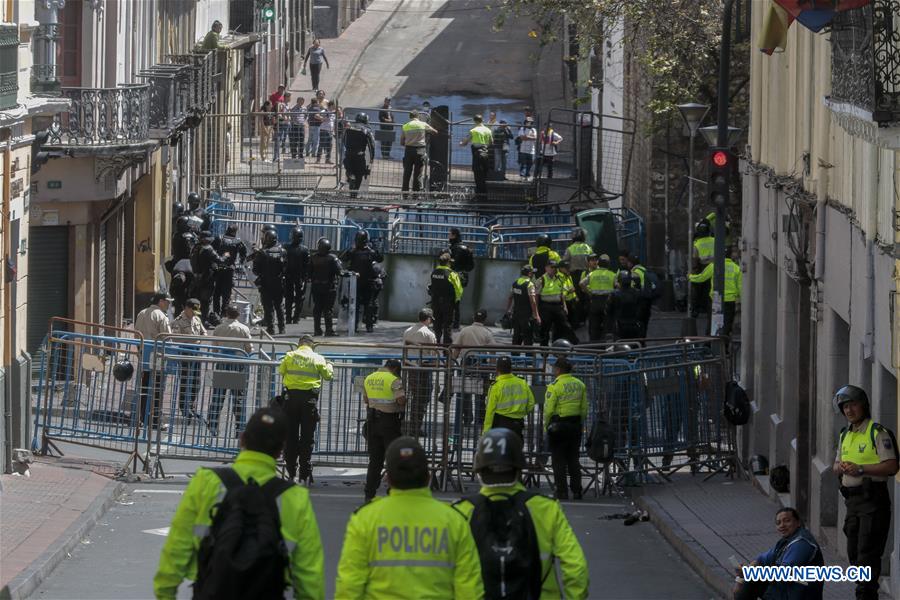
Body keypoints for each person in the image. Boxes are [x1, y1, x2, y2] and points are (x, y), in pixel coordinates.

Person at [153, 407, 325, 600]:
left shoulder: (206, 481)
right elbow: (310, 574)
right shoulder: (295, 498)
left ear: (242, 439)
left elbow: (178, 545)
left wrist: (165, 593)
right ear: (280, 451)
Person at [334, 437, 484, 600]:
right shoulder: (454, 520)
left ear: (388, 479)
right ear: (428, 477)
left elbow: (349, 587)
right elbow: (468, 588)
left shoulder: (365, 519)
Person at [452, 428, 589, 599]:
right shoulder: (546, 508)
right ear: (519, 468)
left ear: (479, 469)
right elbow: (576, 567)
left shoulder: (461, 512)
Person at [832, 385, 898, 600]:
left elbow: (891, 466)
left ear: (864, 406)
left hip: (873, 501)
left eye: (853, 405)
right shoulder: (845, 434)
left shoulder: (877, 432)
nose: (849, 411)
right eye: (845, 407)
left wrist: (861, 469)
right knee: (854, 554)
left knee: (867, 556)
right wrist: (841, 468)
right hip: (853, 503)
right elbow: (835, 465)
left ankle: (866, 596)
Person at [733, 507, 824, 600]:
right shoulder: (786, 541)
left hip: (800, 594)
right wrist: (743, 574)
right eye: (778, 523)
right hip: (785, 591)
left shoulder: (801, 543)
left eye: (787, 521)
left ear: (798, 522)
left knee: (752, 579)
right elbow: (761, 559)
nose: (782, 525)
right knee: (750, 579)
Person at [279, 334, 334, 484]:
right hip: (309, 401)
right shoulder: (318, 358)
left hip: (290, 399)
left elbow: (281, 371)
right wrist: (330, 364)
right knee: (307, 438)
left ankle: (291, 473)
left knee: (290, 437)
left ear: (299, 344)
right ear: (312, 345)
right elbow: (328, 376)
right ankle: (304, 474)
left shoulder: (290, 355)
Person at [362, 359, 406, 502]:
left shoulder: (369, 378)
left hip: (372, 422)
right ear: (394, 368)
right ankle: (393, 491)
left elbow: (366, 400)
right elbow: (400, 400)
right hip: (389, 423)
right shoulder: (394, 380)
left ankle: (369, 493)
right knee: (393, 458)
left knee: (374, 461)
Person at [543, 357, 587, 500]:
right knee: (574, 459)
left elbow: (549, 409)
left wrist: (546, 425)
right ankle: (577, 491)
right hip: (575, 425)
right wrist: (580, 423)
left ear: (558, 370)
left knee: (558, 460)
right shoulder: (580, 384)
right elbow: (584, 408)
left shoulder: (555, 386)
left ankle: (561, 491)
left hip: (558, 425)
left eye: (554, 368)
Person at [209, 305, 254, 438]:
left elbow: (214, 348)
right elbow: (249, 348)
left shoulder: (219, 328)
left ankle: (213, 426)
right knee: (238, 398)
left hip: (222, 364)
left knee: (218, 396)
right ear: (238, 315)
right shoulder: (244, 329)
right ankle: (239, 428)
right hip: (238, 366)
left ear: (226, 314)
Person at [134, 293, 172, 431]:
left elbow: (136, 334)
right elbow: (167, 338)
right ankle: (155, 421)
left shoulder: (141, 313)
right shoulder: (161, 316)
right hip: (157, 356)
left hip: (144, 354)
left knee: (144, 387)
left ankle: (142, 418)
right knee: (157, 389)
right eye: (167, 302)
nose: (169, 305)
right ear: (161, 301)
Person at [452, 309, 496, 427]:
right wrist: (492, 367)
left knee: (465, 391)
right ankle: (480, 419)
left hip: (466, 362)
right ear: (485, 319)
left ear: (473, 317)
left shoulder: (464, 331)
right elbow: (492, 351)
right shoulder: (487, 332)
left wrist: (452, 362)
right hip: (481, 364)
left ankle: (467, 418)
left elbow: (457, 348)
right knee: (481, 393)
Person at [689, 249, 742, 338]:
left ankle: (709, 344)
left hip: (716, 300)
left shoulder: (714, 266)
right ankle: (724, 345)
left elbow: (702, 277)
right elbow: (740, 287)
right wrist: (740, 300)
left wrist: (690, 277)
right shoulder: (736, 268)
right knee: (727, 324)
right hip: (730, 301)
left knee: (712, 323)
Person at [402, 308, 438, 437]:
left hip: (409, 368)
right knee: (422, 398)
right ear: (428, 319)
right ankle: (415, 427)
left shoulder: (407, 331)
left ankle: (409, 425)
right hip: (423, 368)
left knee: (412, 397)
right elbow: (433, 353)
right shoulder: (429, 334)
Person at [340, 230, 384, 333]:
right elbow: (380, 258)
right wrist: (374, 248)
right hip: (366, 282)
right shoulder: (370, 252)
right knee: (368, 305)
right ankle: (368, 326)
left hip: (357, 282)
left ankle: (354, 326)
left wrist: (351, 247)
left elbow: (342, 257)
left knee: (356, 304)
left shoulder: (353, 251)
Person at [170, 298, 207, 421]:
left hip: (196, 353)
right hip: (185, 353)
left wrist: (201, 338)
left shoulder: (196, 319)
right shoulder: (178, 321)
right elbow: (175, 338)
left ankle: (191, 406)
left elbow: (204, 332)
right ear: (186, 308)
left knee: (196, 383)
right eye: (193, 311)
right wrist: (191, 339)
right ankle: (184, 409)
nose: (194, 314)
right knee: (185, 381)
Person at [482, 356, 535, 438]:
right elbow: (531, 403)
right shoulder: (522, 382)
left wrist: (486, 432)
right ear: (511, 369)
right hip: (517, 424)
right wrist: (520, 413)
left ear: (497, 369)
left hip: (500, 424)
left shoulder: (495, 386)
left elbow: (490, 411)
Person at [535, 260, 577, 346]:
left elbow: (561, 294)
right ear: (546, 268)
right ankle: (544, 350)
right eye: (552, 267)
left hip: (557, 306)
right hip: (546, 307)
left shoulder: (559, 279)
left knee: (565, 325)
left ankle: (574, 343)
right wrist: (536, 312)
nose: (554, 269)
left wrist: (564, 306)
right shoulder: (541, 280)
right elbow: (536, 296)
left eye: (555, 268)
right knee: (545, 329)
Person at [252, 229, 286, 335]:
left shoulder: (262, 253)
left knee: (268, 307)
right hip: (278, 282)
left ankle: (271, 328)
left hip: (266, 283)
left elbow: (255, 270)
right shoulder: (282, 251)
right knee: (279, 306)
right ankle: (282, 328)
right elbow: (286, 268)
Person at [309, 237, 343, 337]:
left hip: (316, 286)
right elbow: (339, 271)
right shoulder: (332, 258)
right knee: (328, 309)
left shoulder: (313, 257)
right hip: (329, 287)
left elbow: (309, 273)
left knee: (317, 309)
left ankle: (317, 329)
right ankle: (329, 330)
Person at [212, 224, 247, 318]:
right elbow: (244, 253)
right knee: (226, 294)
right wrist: (241, 261)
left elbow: (212, 250)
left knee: (216, 292)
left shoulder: (219, 238)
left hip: (218, 268)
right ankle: (224, 313)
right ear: (234, 232)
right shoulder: (237, 241)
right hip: (229, 269)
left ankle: (216, 312)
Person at [189, 230, 223, 325]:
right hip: (206, 279)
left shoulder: (195, 247)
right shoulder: (208, 249)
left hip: (196, 278)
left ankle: (195, 318)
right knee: (205, 302)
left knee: (196, 300)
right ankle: (202, 321)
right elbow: (219, 260)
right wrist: (226, 256)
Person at [428, 253, 462, 345]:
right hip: (448, 304)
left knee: (437, 326)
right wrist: (457, 302)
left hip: (435, 303)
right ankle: (446, 350)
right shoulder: (452, 274)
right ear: (448, 262)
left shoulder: (434, 272)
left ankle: (436, 346)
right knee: (447, 326)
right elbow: (458, 290)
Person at [581, 253, 616, 342]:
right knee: (608, 325)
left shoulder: (592, 274)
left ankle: (594, 346)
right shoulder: (612, 275)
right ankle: (607, 346)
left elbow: (581, 284)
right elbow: (618, 286)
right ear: (608, 264)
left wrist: (589, 293)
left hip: (595, 301)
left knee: (594, 326)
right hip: (607, 302)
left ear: (599, 263)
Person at [400, 110, 437, 194]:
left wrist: (409, 141)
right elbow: (435, 132)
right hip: (420, 150)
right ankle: (415, 195)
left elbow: (401, 142)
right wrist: (426, 134)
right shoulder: (423, 124)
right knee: (417, 174)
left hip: (408, 151)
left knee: (407, 173)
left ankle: (405, 195)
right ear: (418, 117)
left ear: (410, 117)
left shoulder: (405, 126)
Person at [447, 228, 475, 330]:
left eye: (449, 234)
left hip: (453, 276)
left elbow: (452, 264)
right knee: (457, 300)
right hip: (463, 277)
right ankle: (456, 323)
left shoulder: (454, 248)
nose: (448, 236)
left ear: (454, 235)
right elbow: (471, 266)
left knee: (450, 300)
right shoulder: (466, 248)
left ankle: (451, 322)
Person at [459, 114, 493, 197]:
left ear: (475, 121)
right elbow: (491, 142)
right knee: (484, 175)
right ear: (482, 120)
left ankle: (479, 194)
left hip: (477, 155)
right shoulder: (488, 130)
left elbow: (465, 142)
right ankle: (484, 194)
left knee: (477, 175)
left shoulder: (473, 130)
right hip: (485, 154)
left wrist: (461, 143)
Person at [506, 264, 540, 346]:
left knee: (516, 337)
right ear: (529, 274)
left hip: (516, 314)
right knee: (528, 339)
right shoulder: (530, 284)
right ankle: (528, 358)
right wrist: (536, 315)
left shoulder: (515, 283)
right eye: (532, 273)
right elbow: (533, 301)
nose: (533, 275)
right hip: (527, 316)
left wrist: (508, 310)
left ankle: (514, 357)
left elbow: (510, 298)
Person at [342, 113, 376, 197]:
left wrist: (348, 150)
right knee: (360, 174)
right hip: (359, 155)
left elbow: (343, 141)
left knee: (349, 170)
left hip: (348, 154)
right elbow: (372, 144)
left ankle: (350, 177)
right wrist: (372, 157)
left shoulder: (348, 128)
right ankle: (354, 194)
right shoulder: (367, 130)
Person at [284, 227, 310, 325]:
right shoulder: (286, 248)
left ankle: (295, 317)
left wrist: (306, 277)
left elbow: (307, 265)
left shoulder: (304, 249)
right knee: (289, 297)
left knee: (298, 298)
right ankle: (290, 317)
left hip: (299, 276)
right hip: (289, 276)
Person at [607, 272, 642, 340]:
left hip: (619, 325)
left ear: (619, 281)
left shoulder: (614, 294)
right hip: (634, 324)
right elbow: (641, 309)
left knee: (619, 345)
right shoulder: (637, 293)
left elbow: (608, 310)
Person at [691, 220, 714, 318]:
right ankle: (709, 309)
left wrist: (694, 272)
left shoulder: (697, 244)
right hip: (714, 267)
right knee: (711, 289)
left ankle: (695, 310)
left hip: (702, 267)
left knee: (698, 289)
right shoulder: (715, 240)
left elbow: (695, 259)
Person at [558, 260, 580, 331]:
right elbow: (562, 292)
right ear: (560, 268)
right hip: (565, 302)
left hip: (572, 301)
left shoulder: (569, 276)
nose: (568, 269)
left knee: (574, 322)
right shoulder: (559, 277)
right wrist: (569, 292)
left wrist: (575, 296)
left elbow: (572, 287)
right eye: (566, 267)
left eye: (568, 267)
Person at [274, 91, 291, 161]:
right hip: (281, 124)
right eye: (289, 97)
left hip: (287, 125)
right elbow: (279, 114)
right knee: (278, 140)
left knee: (284, 140)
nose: (290, 98)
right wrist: (284, 118)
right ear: (286, 97)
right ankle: (276, 157)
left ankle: (281, 156)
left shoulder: (287, 105)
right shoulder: (282, 104)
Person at [288, 95, 306, 160]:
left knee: (301, 142)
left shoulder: (304, 108)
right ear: (297, 101)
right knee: (294, 141)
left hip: (301, 126)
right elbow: (291, 116)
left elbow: (306, 116)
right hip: (295, 126)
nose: (301, 102)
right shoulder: (293, 108)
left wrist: (303, 122)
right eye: (300, 101)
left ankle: (301, 156)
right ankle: (294, 156)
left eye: (302, 101)